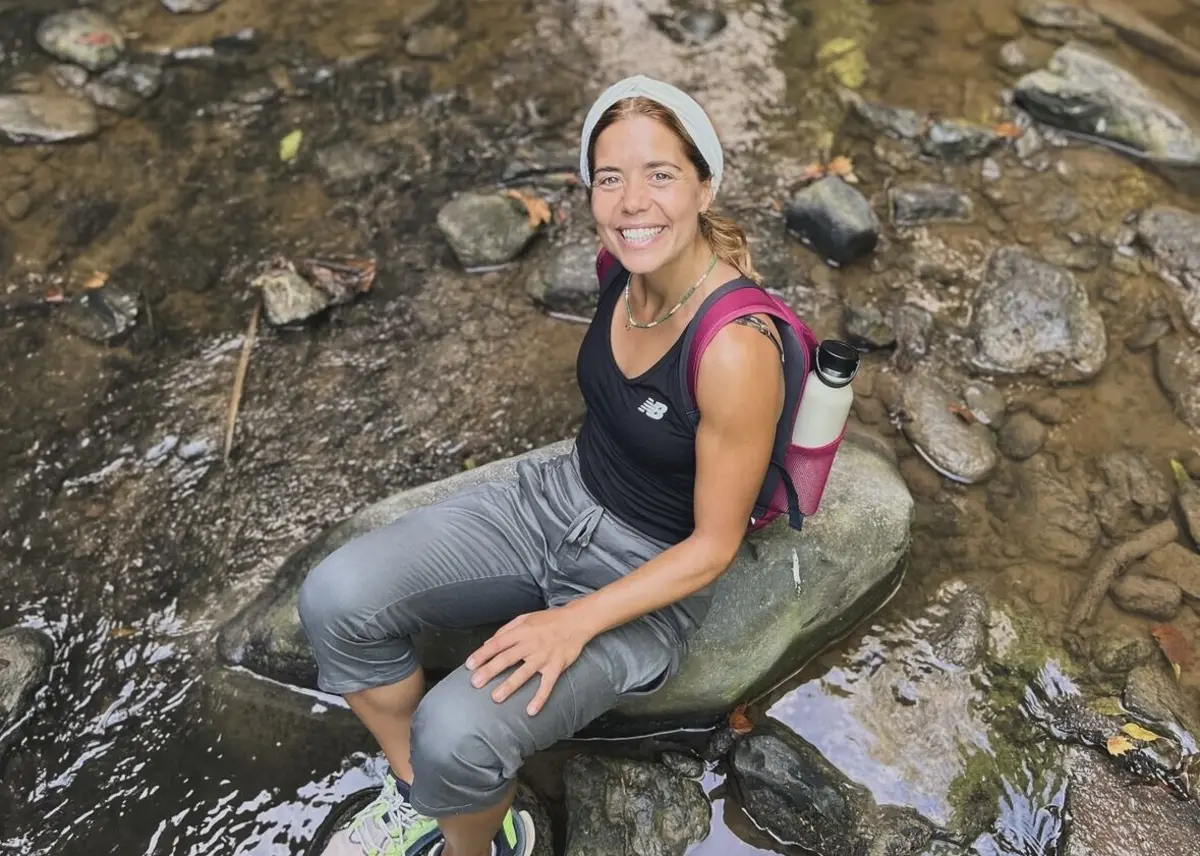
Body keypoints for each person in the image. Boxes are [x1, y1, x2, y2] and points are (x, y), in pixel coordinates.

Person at [299, 74, 786, 856]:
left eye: (660, 174)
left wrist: (573, 623)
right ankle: (421, 797)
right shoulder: (617, 270)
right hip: (552, 500)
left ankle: (483, 842)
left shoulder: (734, 347)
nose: (632, 201)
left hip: (649, 573)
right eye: (610, 178)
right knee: (335, 596)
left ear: (703, 185)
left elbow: (713, 547)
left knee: (457, 729)